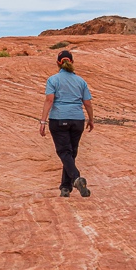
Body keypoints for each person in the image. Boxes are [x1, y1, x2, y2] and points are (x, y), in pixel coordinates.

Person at [38, 49, 94, 197]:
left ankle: (76, 178)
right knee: (71, 153)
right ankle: (65, 187)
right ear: (72, 62)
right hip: (77, 120)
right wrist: (91, 119)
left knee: (64, 152)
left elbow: (49, 100)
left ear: (58, 63)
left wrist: (43, 121)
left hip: (59, 119)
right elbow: (87, 103)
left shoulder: (53, 80)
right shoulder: (81, 81)